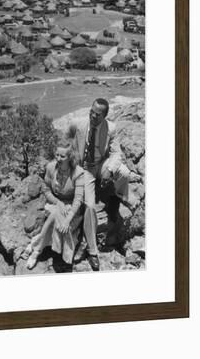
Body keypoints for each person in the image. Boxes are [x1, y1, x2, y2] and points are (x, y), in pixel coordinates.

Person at [71, 98, 131, 271]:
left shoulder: (111, 128)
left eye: (97, 115)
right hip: (87, 168)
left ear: (104, 116)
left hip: (103, 163)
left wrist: (110, 170)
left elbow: (116, 153)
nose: (93, 116)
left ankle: (117, 199)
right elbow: (75, 151)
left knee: (125, 173)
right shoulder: (81, 126)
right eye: (91, 112)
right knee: (89, 207)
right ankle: (92, 251)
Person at [25, 139, 90, 270]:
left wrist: (67, 220)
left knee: (56, 217)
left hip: (72, 209)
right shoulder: (50, 167)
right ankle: (38, 248)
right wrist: (58, 202)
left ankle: (37, 247)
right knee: (55, 213)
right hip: (56, 204)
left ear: (70, 157)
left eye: (62, 156)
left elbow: (78, 199)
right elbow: (46, 189)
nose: (58, 159)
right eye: (57, 155)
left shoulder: (78, 173)